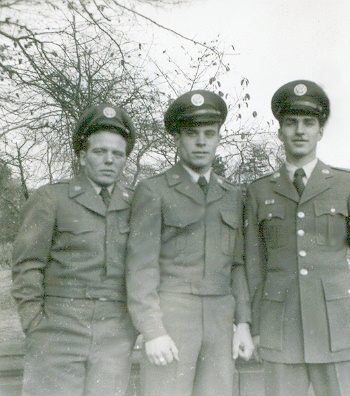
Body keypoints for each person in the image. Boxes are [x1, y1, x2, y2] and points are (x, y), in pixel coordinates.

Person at [245, 80, 350, 396]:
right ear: (280, 131)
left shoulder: (347, 183)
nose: (300, 131)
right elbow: (255, 268)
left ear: (320, 131)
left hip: (339, 329)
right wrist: (255, 328)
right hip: (281, 331)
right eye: (291, 123)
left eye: (309, 123)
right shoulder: (259, 191)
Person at [127, 90, 254, 396]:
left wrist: (245, 324)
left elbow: (237, 265)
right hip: (172, 320)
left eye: (209, 134)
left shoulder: (233, 195)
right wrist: (152, 330)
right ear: (177, 140)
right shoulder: (154, 190)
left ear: (218, 139)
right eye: (191, 133)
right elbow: (140, 267)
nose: (201, 141)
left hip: (220, 323)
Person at [12, 103, 137, 396]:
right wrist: (35, 323)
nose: (109, 160)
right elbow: (27, 265)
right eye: (99, 152)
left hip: (114, 332)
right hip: (58, 329)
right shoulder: (51, 198)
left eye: (117, 154)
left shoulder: (135, 205)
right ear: (82, 156)